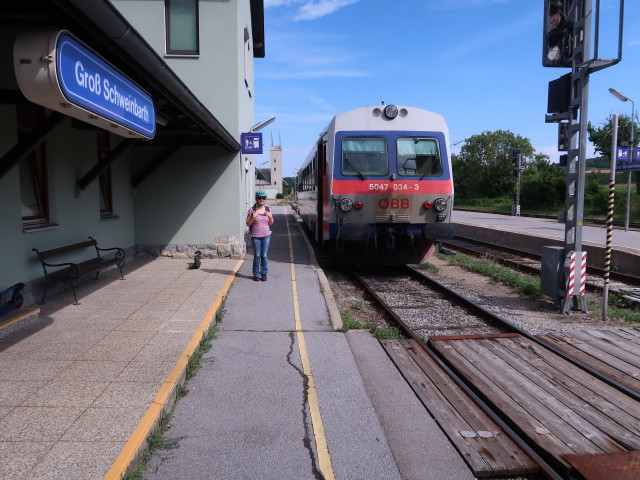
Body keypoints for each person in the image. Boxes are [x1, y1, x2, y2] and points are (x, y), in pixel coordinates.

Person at [246, 191, 274, 281]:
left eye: (263, 198)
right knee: (257, 255)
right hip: (255, 236)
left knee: (264, 255)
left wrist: (270, 217)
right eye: (260, 198)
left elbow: (271, 223)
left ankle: (264, 273)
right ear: (256, 199)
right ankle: (256, 274)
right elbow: (247, 223)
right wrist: (254, 216)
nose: (262, 200)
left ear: (265, 200)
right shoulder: (252, 210)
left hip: (266, 235)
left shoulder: (268, 209)